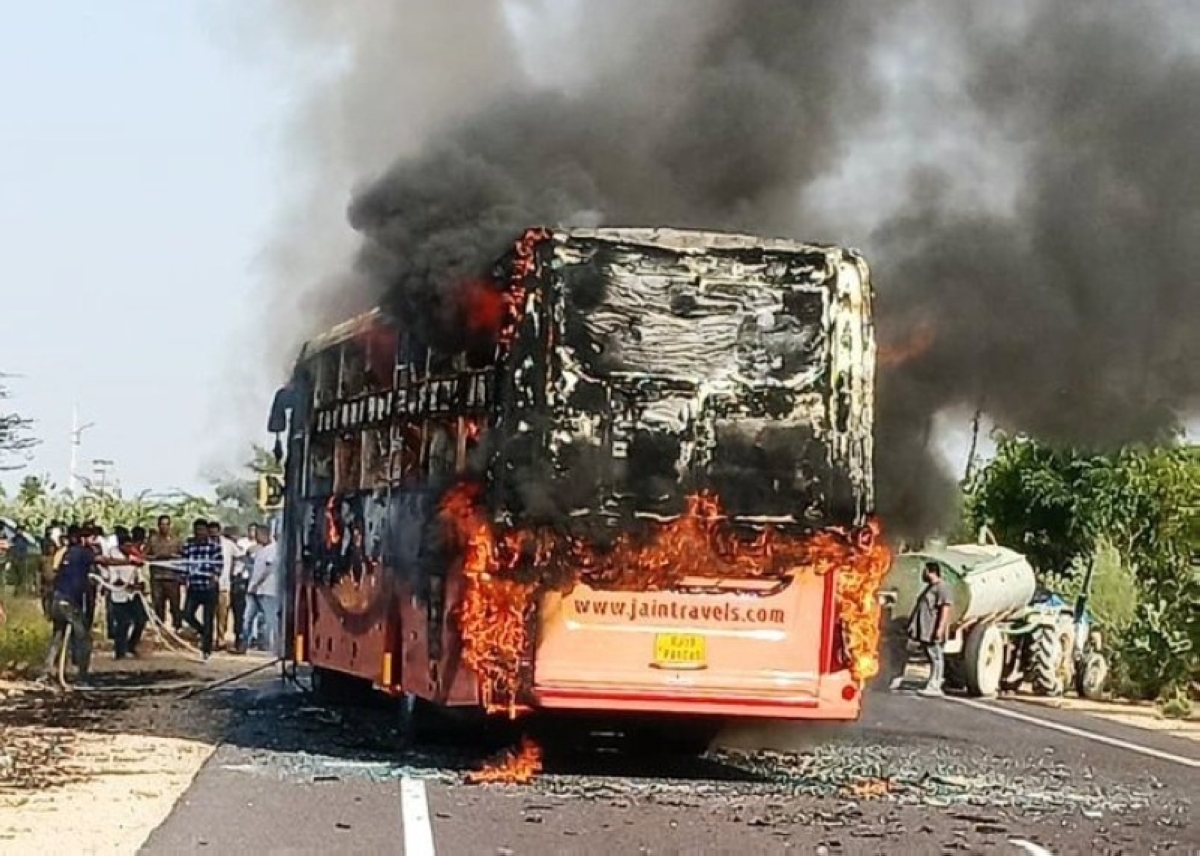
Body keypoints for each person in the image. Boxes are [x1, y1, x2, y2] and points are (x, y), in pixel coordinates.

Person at [42, 525, 95, 684]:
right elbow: (103, 560)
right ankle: (82, 676)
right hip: (69, 602)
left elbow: (54, 573)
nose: (93, 541)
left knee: (58, 635)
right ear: (83, 538)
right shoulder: (84, 552)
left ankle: (48, 671)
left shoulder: (64, 552)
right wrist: (129, 561)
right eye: (91, 538)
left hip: (57, 599)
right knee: (83, 638)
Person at [906, 560, 953, 696]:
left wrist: (939, 629)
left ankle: (935, 686)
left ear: (930, 572)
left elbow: (945, 609)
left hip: (933, 631)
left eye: (924, 571)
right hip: (926, 631)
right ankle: (933, 683)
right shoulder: (930, 587)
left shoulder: (942, 588)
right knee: (932, 656)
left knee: (936, 657)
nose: (923, 574)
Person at [99, 532, 146, 659]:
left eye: (130, 546)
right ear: (120, 546)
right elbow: (114, 579)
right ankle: (119, 652)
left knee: (141, 621)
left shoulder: (133, 556)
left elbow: (138, 572)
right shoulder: (113, 557)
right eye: (126, 546)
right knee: (122, 623)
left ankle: (131, 646)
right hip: (119, 595)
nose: (129, 548)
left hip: (134, 595)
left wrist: (140, 584)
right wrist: (128, 586)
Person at [180, 518, 222, 660]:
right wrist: (183, 578)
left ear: (206, 531)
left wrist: (214, 577)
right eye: (197, 530)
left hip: (209, 587)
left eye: (202, 530)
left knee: (208, 618)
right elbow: (184, 564)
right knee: (187, 614)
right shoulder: (189, 546)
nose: (199, 532)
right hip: (194, 586)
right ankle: (203, 632)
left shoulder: (214, 546)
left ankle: (206, 650)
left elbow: (219, 564)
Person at [244, 525, 280, 655]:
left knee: (271, 619)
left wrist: (256, 584)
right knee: (247, 617)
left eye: (258, 535)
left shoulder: (274, 549)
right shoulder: (260, 550)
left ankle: (273, 646)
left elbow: (268, 569)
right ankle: (244, 643)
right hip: (256, 590)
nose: (256, 538)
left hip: (267, 590)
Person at [146, 515, 183, 630]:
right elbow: (145, 555)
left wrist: (173, 557)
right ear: (158, 526)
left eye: (166, 524)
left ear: (170, 525)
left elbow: (183, 556)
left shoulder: (177, 540)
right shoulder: (152, 540)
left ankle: (177, 626)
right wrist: (155, 557)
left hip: (172, 577)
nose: (164, 527)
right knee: (158, 604)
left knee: (175, 604)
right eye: (162, 524)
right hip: (157, 577)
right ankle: (159, 626)